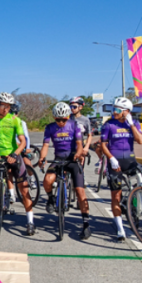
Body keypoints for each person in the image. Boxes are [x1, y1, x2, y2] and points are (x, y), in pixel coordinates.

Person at [100, 97, 142, 241]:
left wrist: (132, 124)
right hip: (115, 163)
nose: (114, 112)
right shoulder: (108, 125)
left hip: (131, 162)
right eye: (113, 109)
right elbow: (103, 145)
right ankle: (120, 229)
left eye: (117, 110)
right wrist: (111, 158)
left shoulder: (134, 123)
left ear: (126, 112)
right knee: (116, 196)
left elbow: (140, 140)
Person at [0, 92, 36, 235]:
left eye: (8, 106)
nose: (6, 109)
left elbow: (23, 141)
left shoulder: (14, 120)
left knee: (24, 190)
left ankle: (30, 221)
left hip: (13, 155)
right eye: (4, 106)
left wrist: (15, 154)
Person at [38, 102, 91, 239]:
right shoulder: (49, 127)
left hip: (73, 159)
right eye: (58, 119)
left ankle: (86, 224)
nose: (61, 122)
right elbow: (45, 145)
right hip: (58, 159)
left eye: (64, 119)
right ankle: (51, 199)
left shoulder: (75, 126)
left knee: (80, 191)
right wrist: (42, 158)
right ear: (54, 118)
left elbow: (80, 144)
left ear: (68, 117)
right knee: (47, 180)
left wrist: (79, 154)